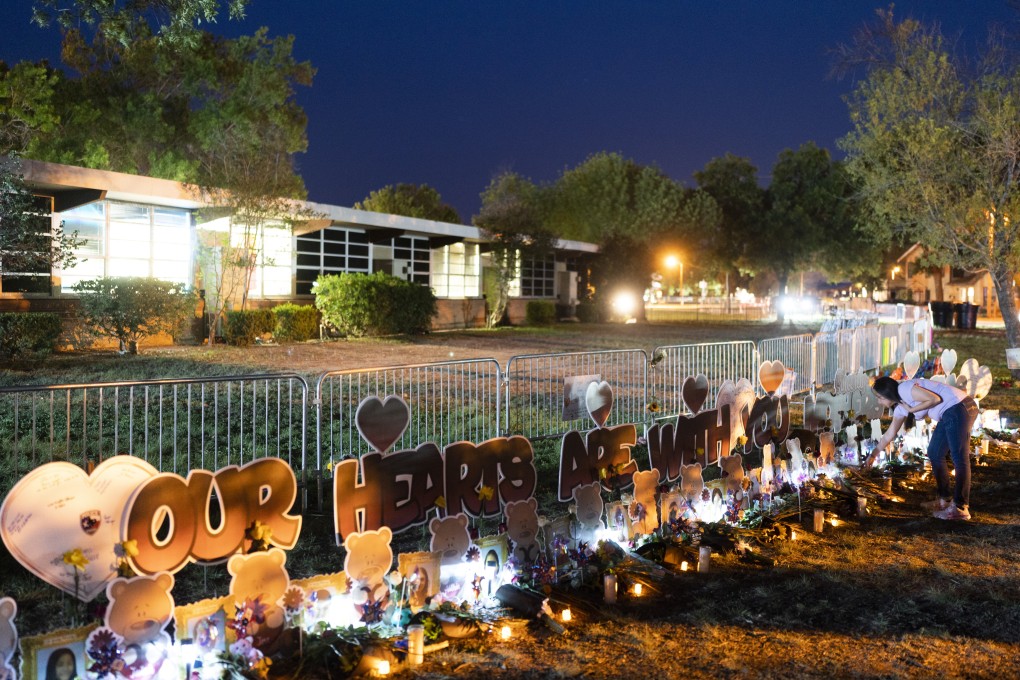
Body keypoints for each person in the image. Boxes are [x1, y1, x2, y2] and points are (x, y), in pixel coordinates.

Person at [867, 376, 977, 520]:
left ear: (888, 393)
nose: (879, 401)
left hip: (959, 407)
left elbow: (934, 399)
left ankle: (960, 507)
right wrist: (873, 455)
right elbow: (890, 434)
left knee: (959, 457)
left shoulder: (904, 389)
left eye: (880, 397)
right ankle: (945, 499)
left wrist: (911, 409)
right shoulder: (900, 407)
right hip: (950, 412)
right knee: (935, 452)